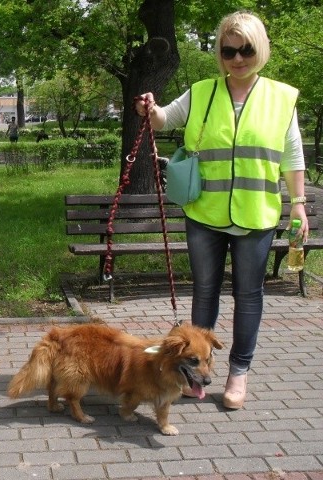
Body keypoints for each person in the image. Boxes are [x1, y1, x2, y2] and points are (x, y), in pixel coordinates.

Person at [136, 11, 308, 409]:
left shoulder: (282, 97)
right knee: (205, 294)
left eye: (245, 49)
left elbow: (292, 155)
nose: (237, 58)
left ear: (259, 49)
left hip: (256, 215)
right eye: (228, 50)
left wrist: (298, 206)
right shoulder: (202, 92)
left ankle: (238, 373)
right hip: (205, 213)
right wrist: (151, 108)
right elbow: (164, 120)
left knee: (249, 296)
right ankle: (197, 370)